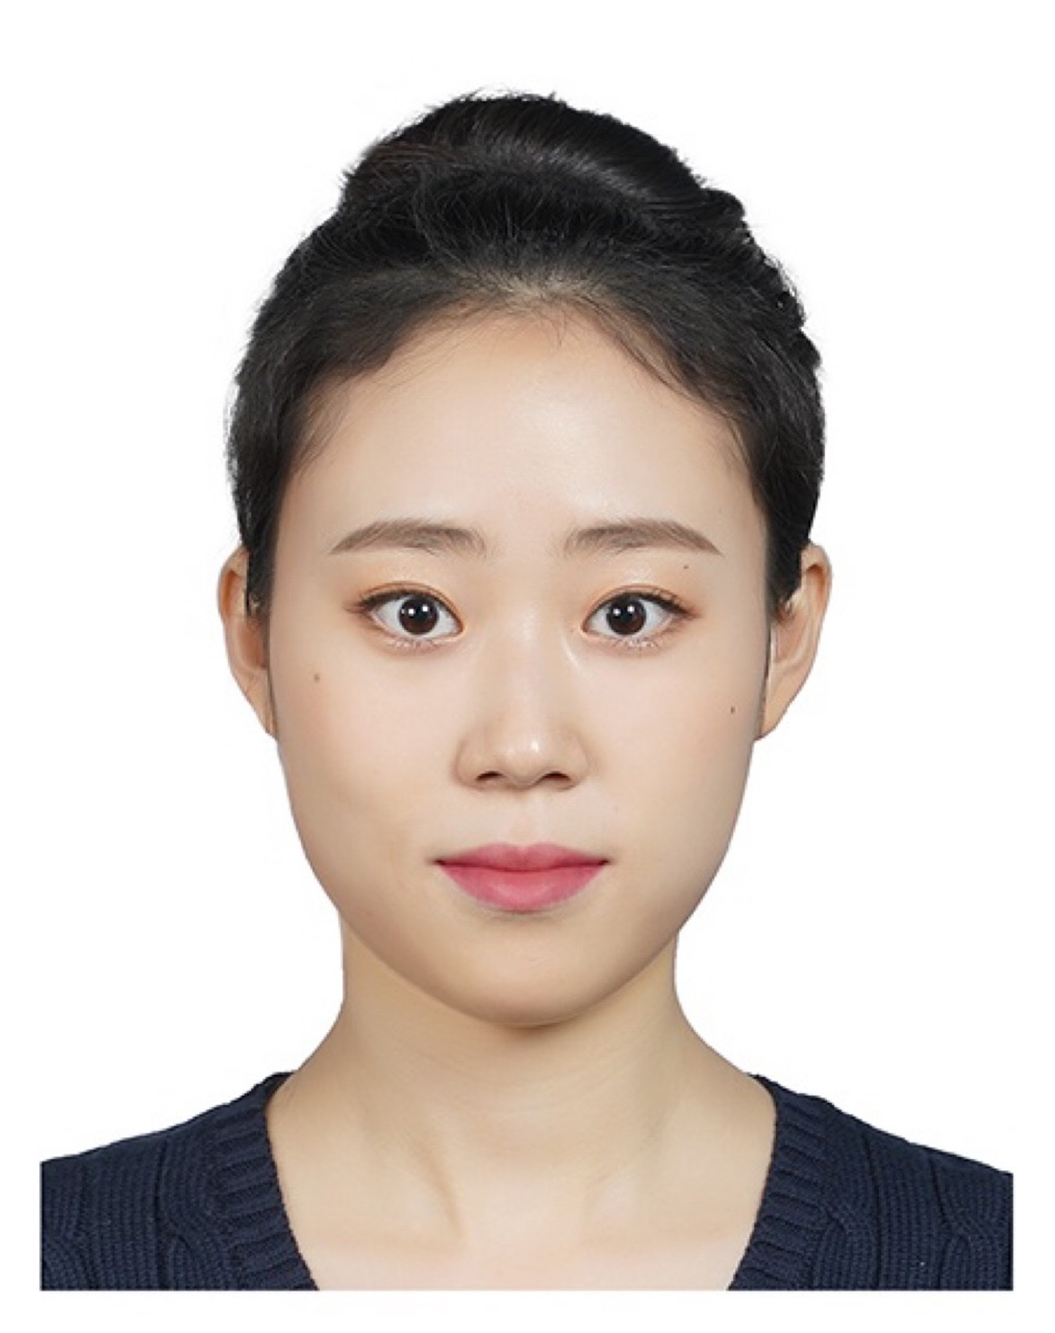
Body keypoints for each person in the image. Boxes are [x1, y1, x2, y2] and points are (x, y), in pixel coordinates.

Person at [40, 91, 1012, 1291]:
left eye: (628, 612)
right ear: (253, 632)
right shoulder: (53, 1264)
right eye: (413, 611)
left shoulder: (991, 1266)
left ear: (784, 635)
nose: (522, 742)